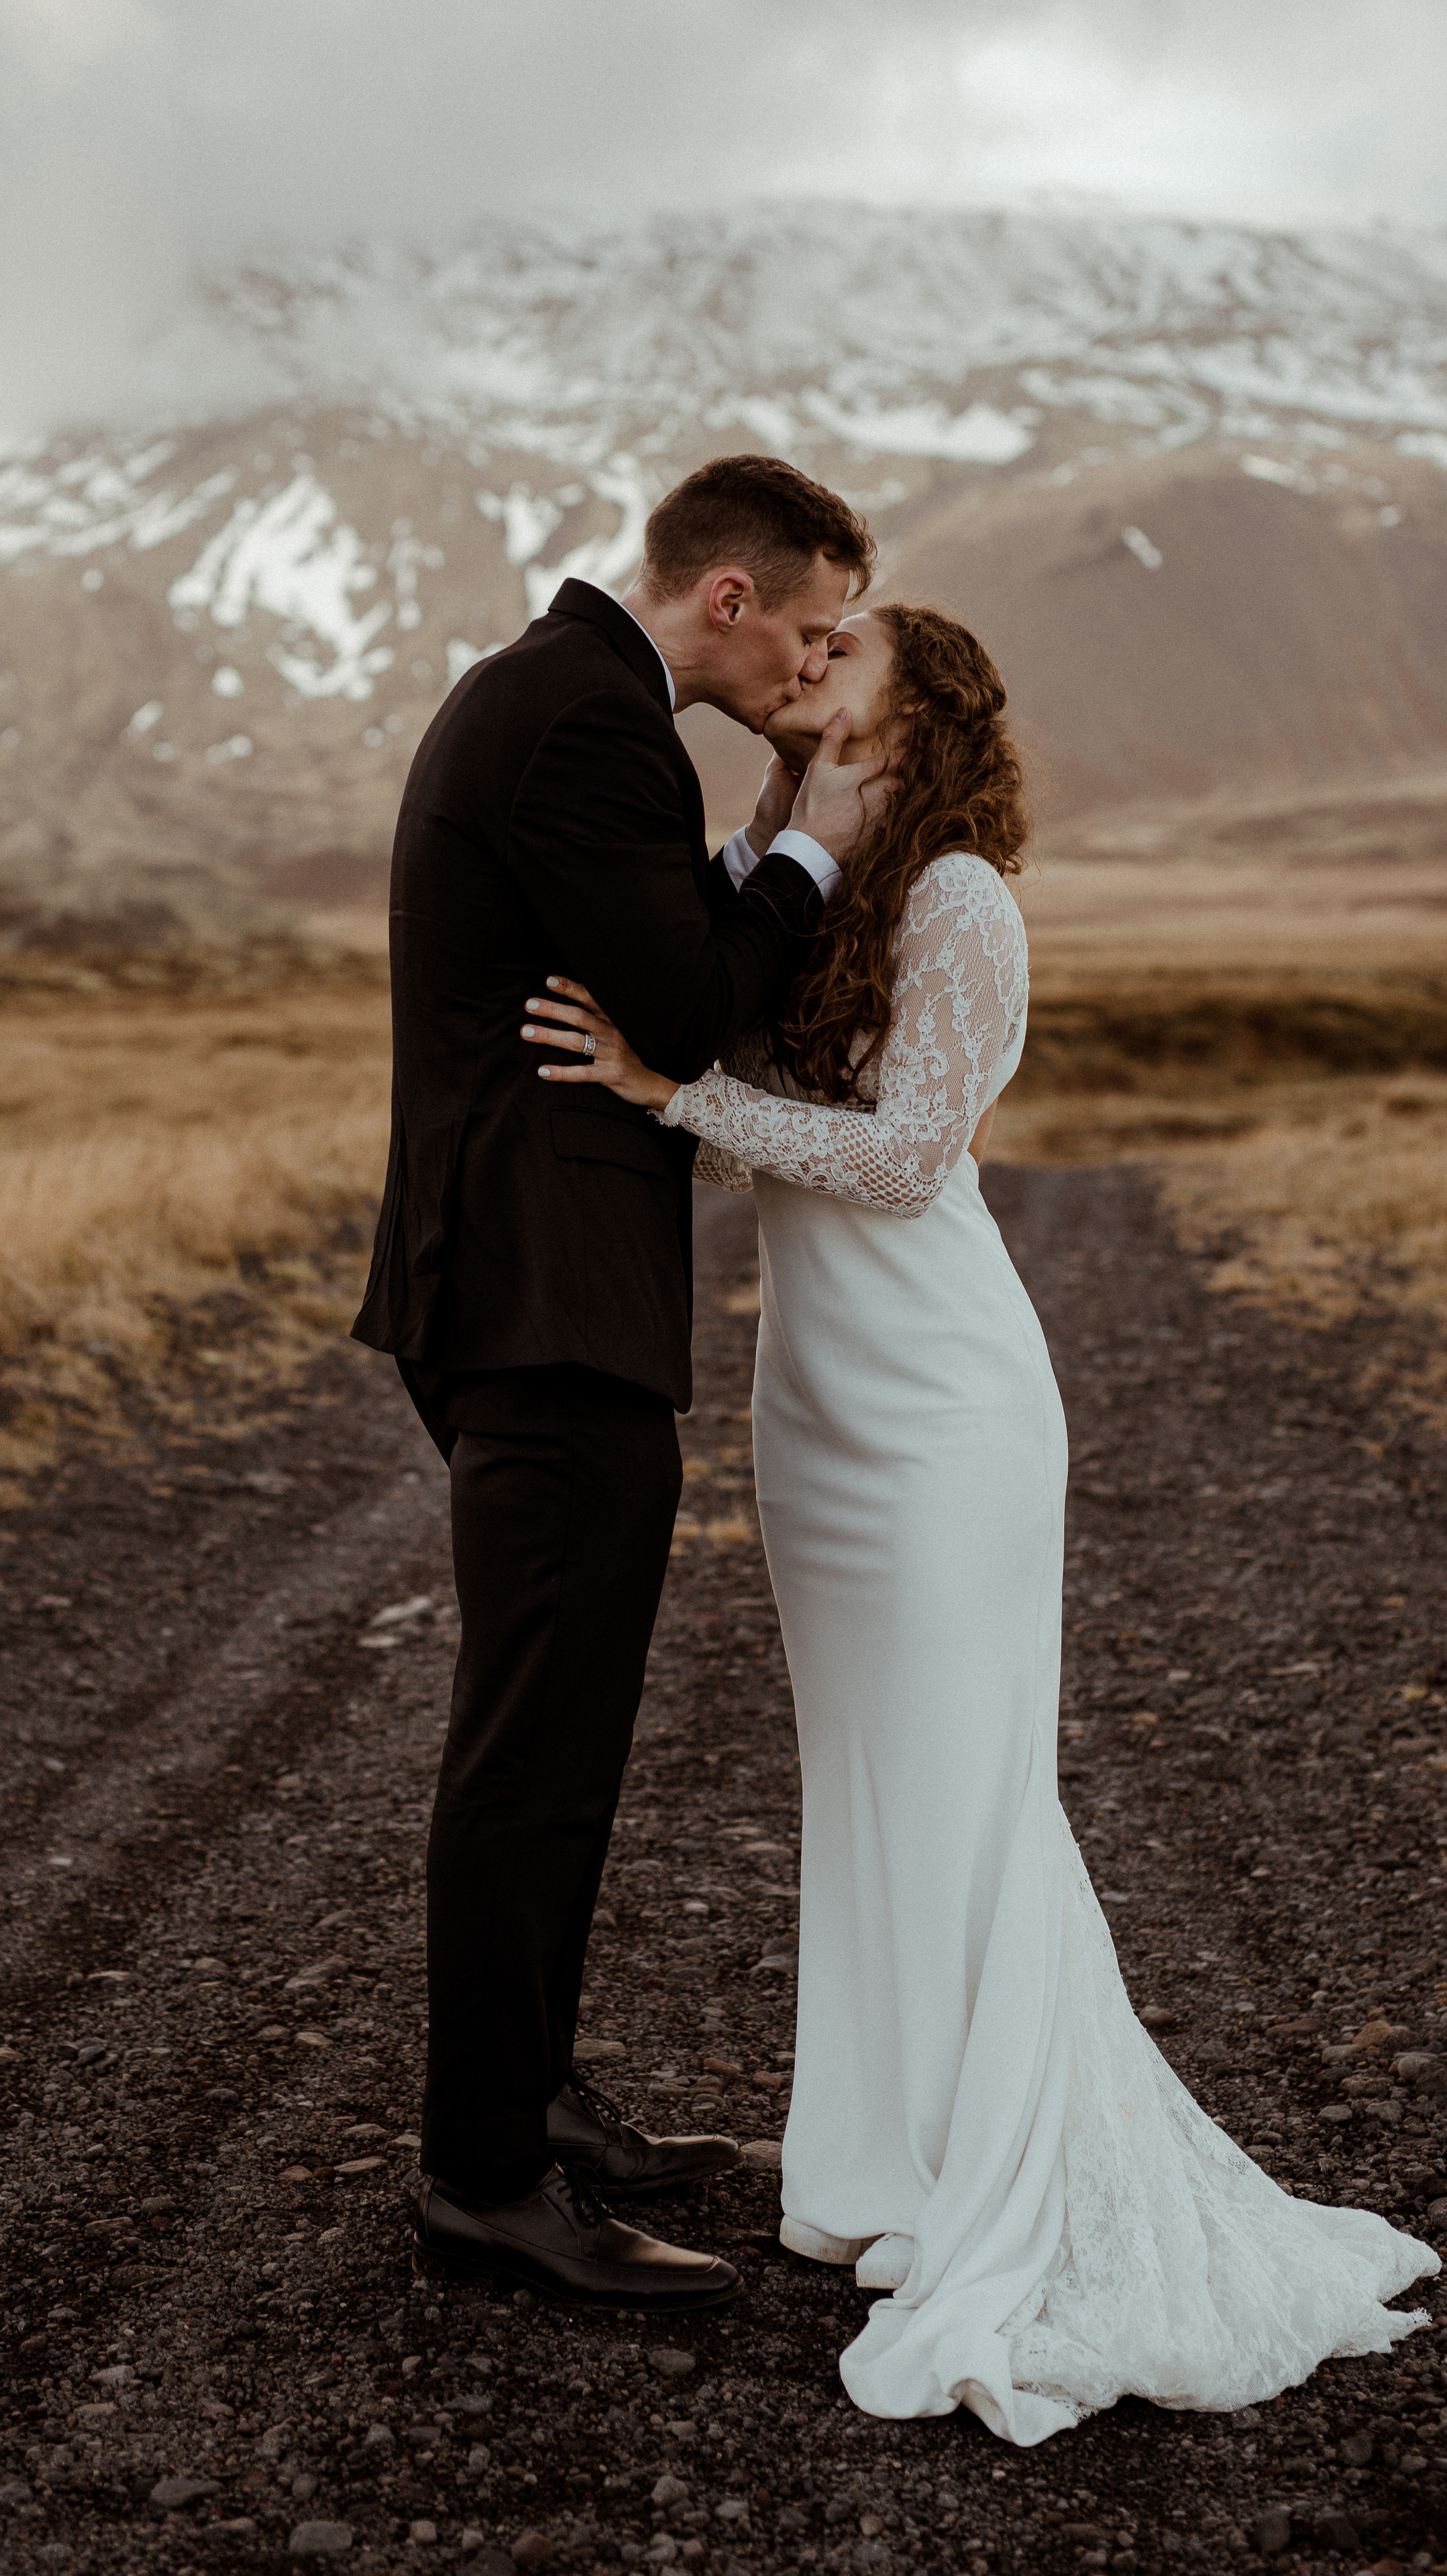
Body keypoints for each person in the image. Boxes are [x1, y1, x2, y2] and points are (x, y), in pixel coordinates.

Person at [518, 600, 1440, 2434]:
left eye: (842, 652)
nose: (806, 663)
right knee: (864, 1784)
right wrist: (658, 1058)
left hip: (946, 1405)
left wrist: (676, 1091)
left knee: (964, 1785)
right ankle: (880, 2167)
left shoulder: (958, 904)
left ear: (919, 707)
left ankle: (1003, 2182)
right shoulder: (789, 877)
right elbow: (717, 1056)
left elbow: (908, 1157)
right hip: (819, 1411)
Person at [352, 455, 888, 2312]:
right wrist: (817, 835)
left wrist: (765, 828)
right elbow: (686, 1005)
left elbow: (657, 966)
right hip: (540, 1297)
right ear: (729, 596)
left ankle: (534, 2100)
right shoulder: (587, 723)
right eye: (814, 624)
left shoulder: (557, 698)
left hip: (511, 1283)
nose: (821, 664)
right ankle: (487, 2176)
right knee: (538, 1745)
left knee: (560, 1725)